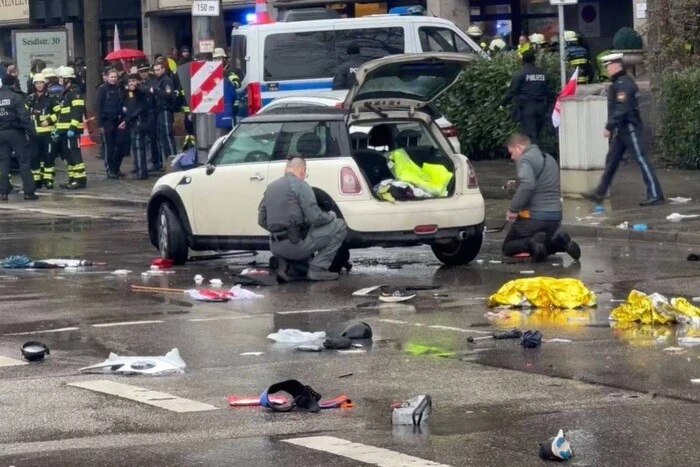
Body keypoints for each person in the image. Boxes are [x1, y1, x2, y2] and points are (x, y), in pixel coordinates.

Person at [584, 54, 664, 207]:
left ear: (616, 66)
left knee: (641, 160)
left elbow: (623, 108)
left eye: (608, 65)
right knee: (611, 160)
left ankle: (655, 194)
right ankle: (599, 193)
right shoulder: (619, 83)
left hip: (629, 127)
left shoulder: (624, 84)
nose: (606, 69)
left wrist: (609, 126)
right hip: (623, 129)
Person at [258, 156, 348, 281]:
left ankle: (285, 264)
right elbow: (315, 217)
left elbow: (261, 220)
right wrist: (331, 215)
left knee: (304, 230)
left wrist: (281, 230)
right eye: (305, 173)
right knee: (340, 225)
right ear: (302, 170)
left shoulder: (271, 188)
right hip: (296, 246)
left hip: (275, 247)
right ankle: (317, 269)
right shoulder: (301, 185)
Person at [502, 134, 580, 263]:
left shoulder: (525, 159)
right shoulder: (549, 159)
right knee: (541, 241)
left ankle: (532, 244)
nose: (512, 157)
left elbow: (528, 184)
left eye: (512, 152)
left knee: (508, 247)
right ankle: (559, 242)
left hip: (533, 218)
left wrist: (513, 209)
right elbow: (542, 186)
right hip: (555, 218)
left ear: (519, 147)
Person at [502, 50, 553, 146]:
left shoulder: (520, 74)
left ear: (523, 60)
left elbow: (512, 91)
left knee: (530, 135)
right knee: (538, 133)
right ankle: (540, 154)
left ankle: (534, 157)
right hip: (542, 106)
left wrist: (502, 103)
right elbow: (548, 90)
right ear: (534, 59)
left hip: (527, 107)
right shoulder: (543, 73)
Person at [0, 74, 37, 201]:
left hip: (1, 133)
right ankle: (28, 192)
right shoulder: (17, 97)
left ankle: (2, 192)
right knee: (24, 161)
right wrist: (33, 133)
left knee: (3, 163)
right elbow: (24, 118)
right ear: (13, 84)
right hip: (16, 133)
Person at [55, 66, 87, 190]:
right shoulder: (66, 93)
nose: (60, 80)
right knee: (68, 156)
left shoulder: (74, 92)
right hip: (64, 130)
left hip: (71, 130)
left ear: (67, 79)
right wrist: (58, 130)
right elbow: (63, 114)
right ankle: (72, 178)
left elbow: (78, 111)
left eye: (61, 78)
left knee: (75, 155)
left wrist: (72, 128)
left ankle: (80, 180)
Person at [26, 73, 56, 189]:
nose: (39, 85)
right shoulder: (30, 99)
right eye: (37, 83)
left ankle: (48, 179)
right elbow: (25, 114)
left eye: (41, 83)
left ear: (45, 84)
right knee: (34, 157)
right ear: (34, 85)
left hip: (47, 133)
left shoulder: (51, 98)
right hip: (34, 134)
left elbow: (57, 113)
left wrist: (49, 120)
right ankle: (36, 180)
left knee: (48, 156)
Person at [97, 69, 125, 179]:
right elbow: (99, 107)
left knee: (120, 145)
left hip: (118, 121)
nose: (113, 79)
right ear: (107, 77)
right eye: (111, 77)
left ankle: (117, 168)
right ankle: (110, 169)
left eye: (115, 77)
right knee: (109, 147)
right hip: (107, 121)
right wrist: (100, 124)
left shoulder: (119, 89)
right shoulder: (102, 89)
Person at [123, 73, 151, 180]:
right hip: (133, 122)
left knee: (139, 148)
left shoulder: (141, 90)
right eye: (130, 81)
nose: (131, 83)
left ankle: (142, 173)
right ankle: (138, 169)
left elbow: (142, 95)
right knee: (135, 148)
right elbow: (130, 107)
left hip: (140, 122)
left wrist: (136, 88)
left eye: (134, 81)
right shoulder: (130, 93)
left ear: (138, 81)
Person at [151, 62, 177, 168]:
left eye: (158, 69)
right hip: (159, 111)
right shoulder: (158, 81)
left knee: (167, 135)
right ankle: (168, 160)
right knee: (163, 137)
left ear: (163, 69)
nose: (157, 72)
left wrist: (155, 91)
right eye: (155, 70)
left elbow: (168, 94)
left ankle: (173, 160)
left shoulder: (166, 80)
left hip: (165, 110)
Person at [138, 63, 160, 172]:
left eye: (145, 71)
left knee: (153, 139)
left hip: (151, 112)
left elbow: (152, 94)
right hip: (143, 114)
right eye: (141, 72)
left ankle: (156, 162)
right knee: (145, 140)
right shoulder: (139, 83)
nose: (143, 74)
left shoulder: (153, 82)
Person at [213, 47, 241, 130]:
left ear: (224, 59)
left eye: (219, 58)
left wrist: (225, 74)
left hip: (230, 105)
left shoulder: (230, 71)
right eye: (215, 59)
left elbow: (237, 84)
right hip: (217, 105)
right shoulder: (211, 72)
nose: (216, 61)